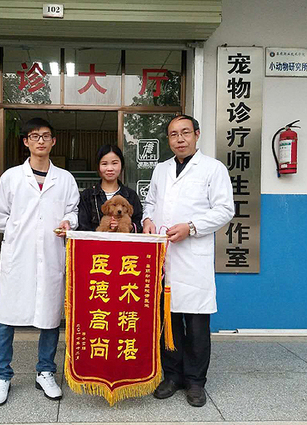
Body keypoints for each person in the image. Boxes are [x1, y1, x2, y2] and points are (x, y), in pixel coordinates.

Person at [142, 114, 234, 407]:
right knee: (167, 321)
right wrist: (147, 220)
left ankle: (195, 382)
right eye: (173, 134)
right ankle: (172, 376)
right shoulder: (161, 170)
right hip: (164, 258)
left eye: (185, 132)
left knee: (195, 325)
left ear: (197, 134)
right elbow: (151, 202)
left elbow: (225, 209)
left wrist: (191, 227)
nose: (179, 139)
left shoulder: (213, 169)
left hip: (194, 257)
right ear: (168, 139)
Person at [0, 117, 80, 406]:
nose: (40, 141)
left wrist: (68, 222)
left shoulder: (64, 178)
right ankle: (2, 375)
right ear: (26, 142)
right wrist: (22, 232)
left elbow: (73, 211)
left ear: (54, 141)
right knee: (6, 318)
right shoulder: (11, 177)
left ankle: (45, 372)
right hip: (18, 256)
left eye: (45, 136)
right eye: (34, 136)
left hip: (52, 255)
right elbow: (0, 219)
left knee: (50, 317)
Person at [77, 144, 143, 232]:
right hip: (95, 241)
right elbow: (82, 226)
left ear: (121, 165)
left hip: (123, 241)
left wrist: (129, 227)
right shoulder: (87, 195)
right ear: (98, 166)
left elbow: (139, 224)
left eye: (114, 163)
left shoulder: (131, 195)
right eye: (104, 164)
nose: (110, 168)